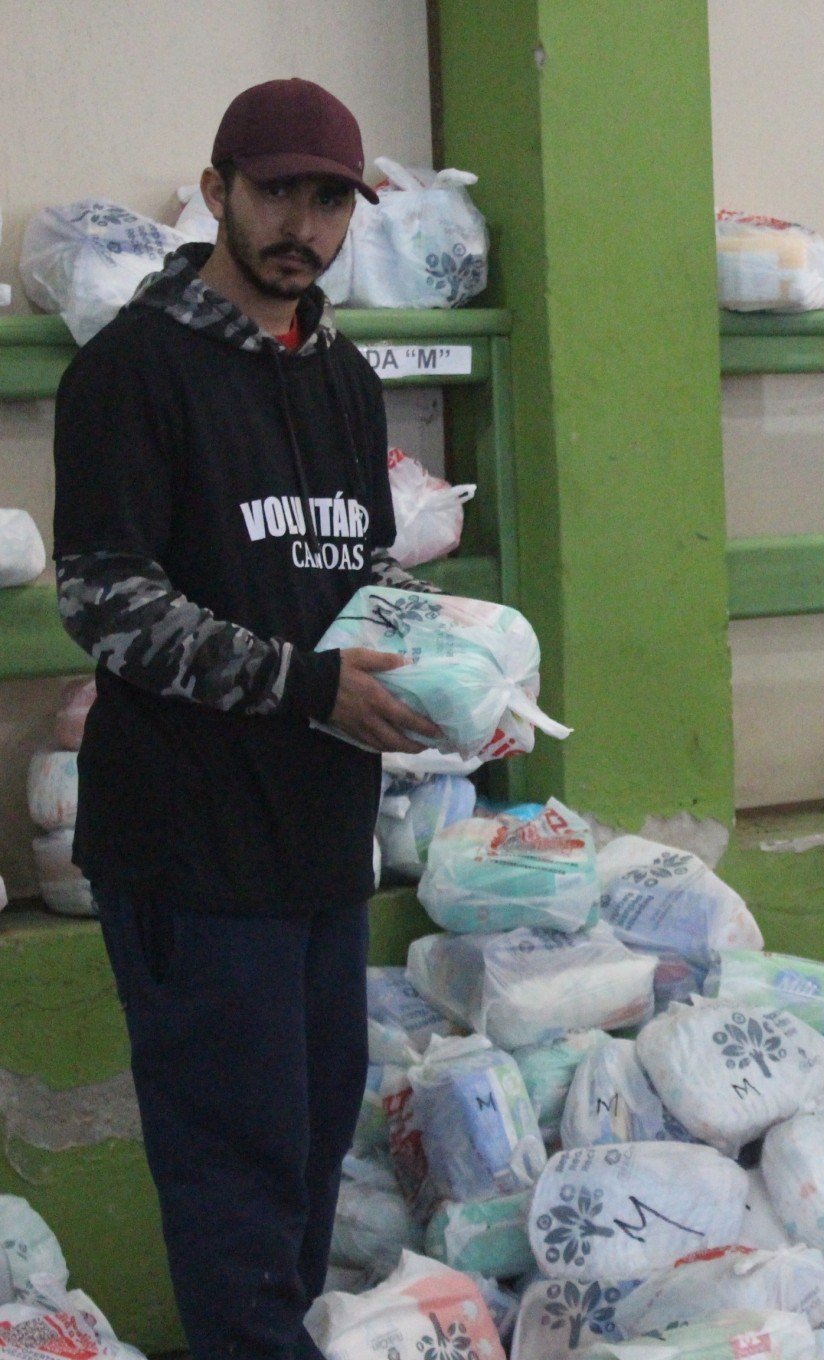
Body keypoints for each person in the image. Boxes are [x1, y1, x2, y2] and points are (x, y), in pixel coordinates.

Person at [53, 79, 441, 1355]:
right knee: (237, 1175)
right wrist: (303, 684)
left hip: (319, 836)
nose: (305, 225)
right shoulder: (130, 372)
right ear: (217, 190)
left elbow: (356, 581)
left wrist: (443, 674)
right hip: (189, 846)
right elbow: (107, 601)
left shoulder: (341, 378)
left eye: (331, 200)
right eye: (278, 192)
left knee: (315, 1143)